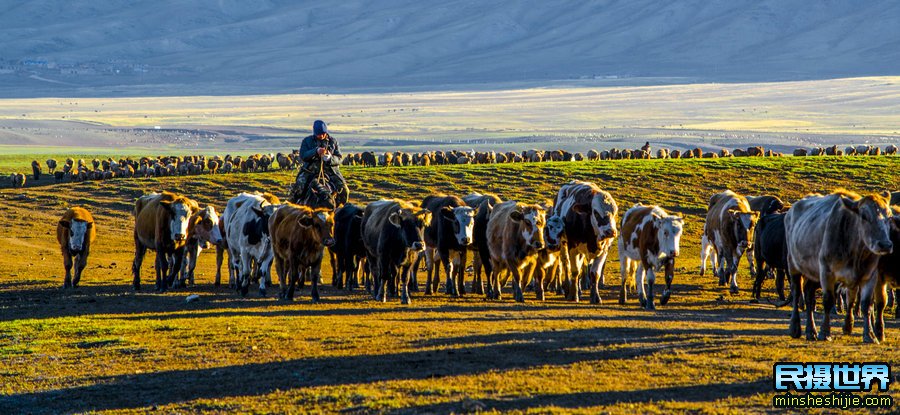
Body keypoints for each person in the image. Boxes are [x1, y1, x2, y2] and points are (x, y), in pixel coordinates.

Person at [290, 120, 348, 206]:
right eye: (318, 134)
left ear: (326, 132)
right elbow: (303, 155)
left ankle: (341, 211)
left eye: (322, 133)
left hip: (330, 172)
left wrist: (330, 158)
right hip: (309, 171)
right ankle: (292, 209)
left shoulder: (333, 141)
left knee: (344, 190)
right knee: (298, 188)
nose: (320, 136)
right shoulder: (307, 141)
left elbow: (339, 158)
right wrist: (315, 151)